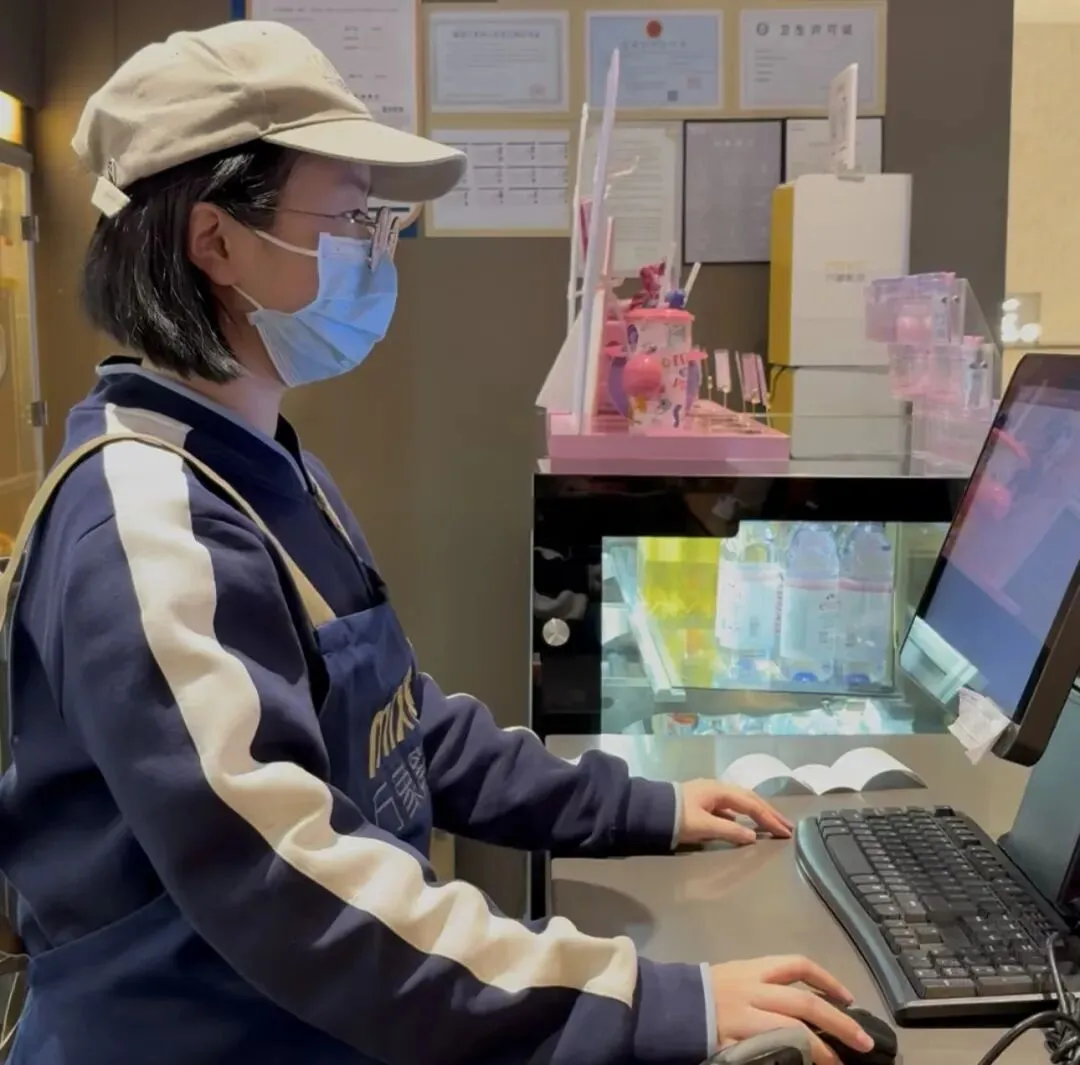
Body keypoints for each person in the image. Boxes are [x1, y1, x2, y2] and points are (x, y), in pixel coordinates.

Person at [0, 21, 873, 1065]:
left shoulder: (264, 463)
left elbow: (403, 730)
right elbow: (292, 886)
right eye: (349, 216)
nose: (377, 250)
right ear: (215, 240)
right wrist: (648, 999)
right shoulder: (147, 524)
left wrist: (641, 806)